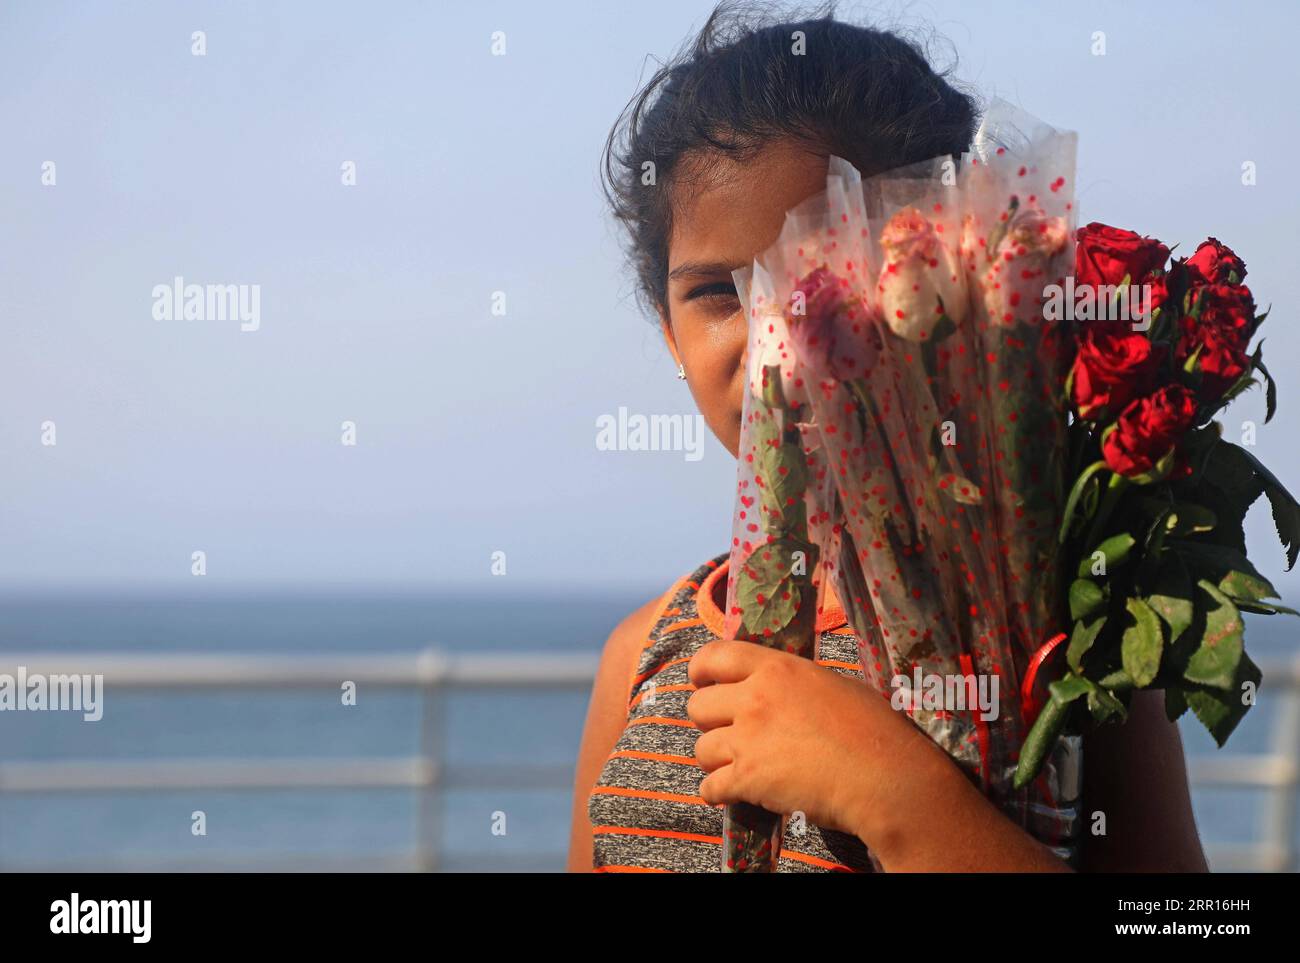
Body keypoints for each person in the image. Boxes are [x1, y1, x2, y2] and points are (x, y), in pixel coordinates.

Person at [567, 2, 1207, 873]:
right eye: (719, 291)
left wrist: (898, 797)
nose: (777, 341)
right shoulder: (644, 654)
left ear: (952, 281)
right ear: (667, 329)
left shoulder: (1067, 636)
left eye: (827, 274)